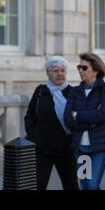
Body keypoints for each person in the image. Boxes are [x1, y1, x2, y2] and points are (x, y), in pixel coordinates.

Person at [24, 56, 79, 190]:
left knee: (71, 185)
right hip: (43, 149)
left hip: (66, 149)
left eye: (63, 70)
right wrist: (33, 136)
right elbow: (29, 116)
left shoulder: (73, 92)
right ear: (48, 73)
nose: (60, 74)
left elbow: (79, 118)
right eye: (55, 70)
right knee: (38, 185)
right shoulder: (41, 91)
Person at [64, 52, 105, 190]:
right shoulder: (74, 91)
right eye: (79, 67)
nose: (80, 71)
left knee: (92, 185)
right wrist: (92, 120)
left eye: (84, 68)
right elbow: (68, 118)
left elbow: (104, 114)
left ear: (96, 70)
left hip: (101, 145)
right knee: (85, 185)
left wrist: (78, 115)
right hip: (80, 147)